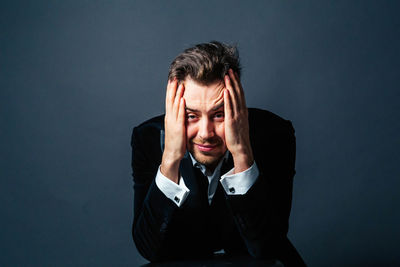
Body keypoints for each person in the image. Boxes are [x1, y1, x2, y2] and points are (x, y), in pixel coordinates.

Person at [130, 41, 306, 266]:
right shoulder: (149, 140)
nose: (205, 133)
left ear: (239, 106)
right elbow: (148, 249)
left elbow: (268, 247)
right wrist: (170, 160)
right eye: (191, 115)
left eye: (219, 114)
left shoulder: (274, 135)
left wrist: (242, 155)